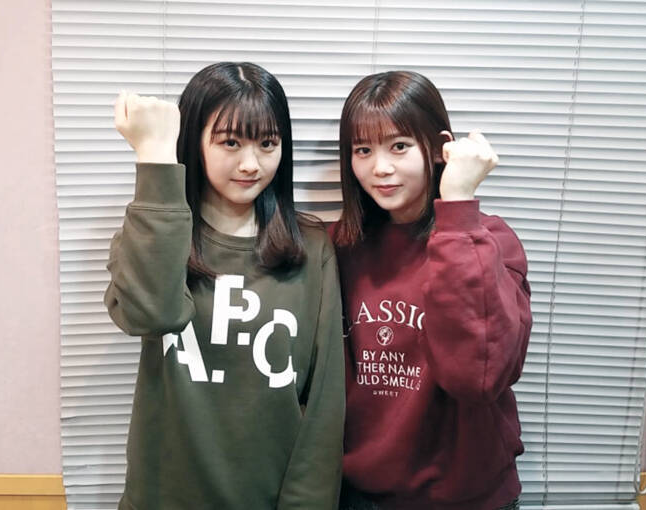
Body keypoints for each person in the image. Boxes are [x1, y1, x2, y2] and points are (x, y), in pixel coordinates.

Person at [104, 62, 344, 510]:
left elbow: (324, 408)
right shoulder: (152, 234)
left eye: (267, 143)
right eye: (230, 142)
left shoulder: (313, 249)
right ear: (195, 142)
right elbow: (150, 315)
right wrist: (156, 155)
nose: (251, 164)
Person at [331, 71, 532, 510]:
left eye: (399, 146)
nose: (380, 168)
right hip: (361, 495)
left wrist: (457, 202)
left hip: (469, 498)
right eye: (363, 150)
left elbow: (478, 378)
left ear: (441, 147)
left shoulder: (490, 242)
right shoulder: (340, 247)